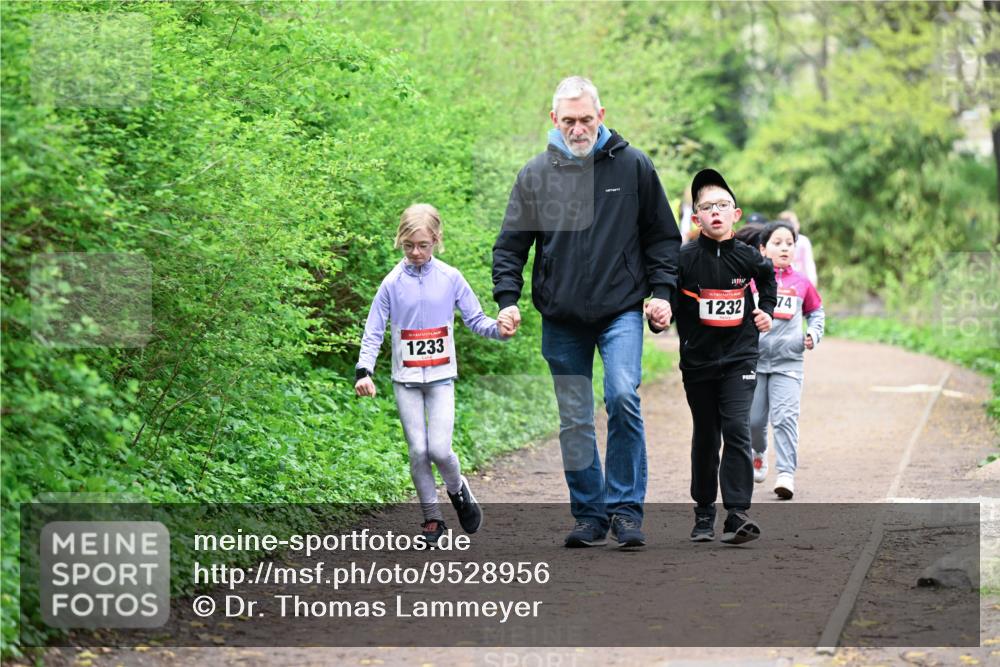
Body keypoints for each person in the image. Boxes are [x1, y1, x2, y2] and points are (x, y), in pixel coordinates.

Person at [491, 76, 680, 549]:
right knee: (575, 417)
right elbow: (510, 247)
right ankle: (590, 515)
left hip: (620, 310)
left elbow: (662, 237)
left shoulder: (634, 167)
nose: (579, 128)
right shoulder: (535, 175)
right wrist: (507, 300)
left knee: (621, 396)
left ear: (602, 116)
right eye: (569, 120)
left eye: (587, 119)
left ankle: (626, 511)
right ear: (554, 120)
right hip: (561, 317)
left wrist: (662, 292)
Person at [356, 203, 504, 544]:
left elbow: (476, 320)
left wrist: (500, 329)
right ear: (400, 242)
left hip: (440, 378)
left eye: (423, 245)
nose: (416, 252)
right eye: (409, 246)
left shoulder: (450, 278)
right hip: (405, 380)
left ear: (436, 240)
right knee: (418, 451)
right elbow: (374, 331)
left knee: (439, 449)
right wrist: (364, 370)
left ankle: (458, 488)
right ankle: (433, 519)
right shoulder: (392, 283)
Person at [672, 168, 776, 544]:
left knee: (736, 428)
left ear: (736, 214)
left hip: (739, 358)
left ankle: (737, 512)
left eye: (723, 205)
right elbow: (666, 292)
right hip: (698, 361)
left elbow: (768, 278)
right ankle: (703, 513)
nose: (715, 212)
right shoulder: (683, 259)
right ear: (696, 217)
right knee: (706, 435)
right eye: (707, 207)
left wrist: (765, 308)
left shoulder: (748, 256)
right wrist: (660, 314)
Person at [749, 221, 825, 499]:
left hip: (788, 362)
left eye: (789, 243)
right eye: (777, 243)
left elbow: (816, 313)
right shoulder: (751, 281)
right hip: (754, 362)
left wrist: (813, 335)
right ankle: (758, 453)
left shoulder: (802, 283)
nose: (784, 248)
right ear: (762, 248)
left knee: (785, 418)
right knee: (754, 421)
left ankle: (785, 474)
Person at [777, 210, 818, 288]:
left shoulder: (803, 241)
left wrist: (812, 284)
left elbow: (809, 264)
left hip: (800, 283)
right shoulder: (776, 241)